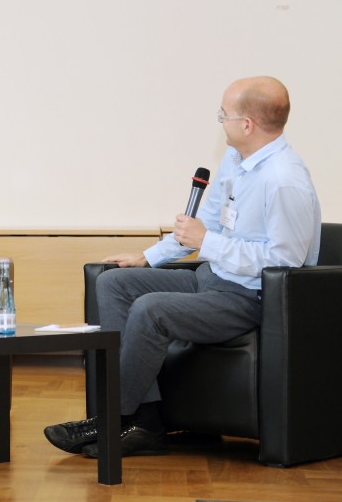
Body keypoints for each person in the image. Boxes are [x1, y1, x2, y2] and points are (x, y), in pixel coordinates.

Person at [44, 77, 321, 458]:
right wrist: (148, 256)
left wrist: (208, 242)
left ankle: (112, 418)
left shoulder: (284, 180)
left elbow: (283, 264)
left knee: (151, 309)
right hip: (212, 279)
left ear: (247, 125)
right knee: (113, 284)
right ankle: (145, 422)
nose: (219, 121)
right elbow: (201, 224)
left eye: (224, 114)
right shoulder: (236, 160)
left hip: (251, 298)